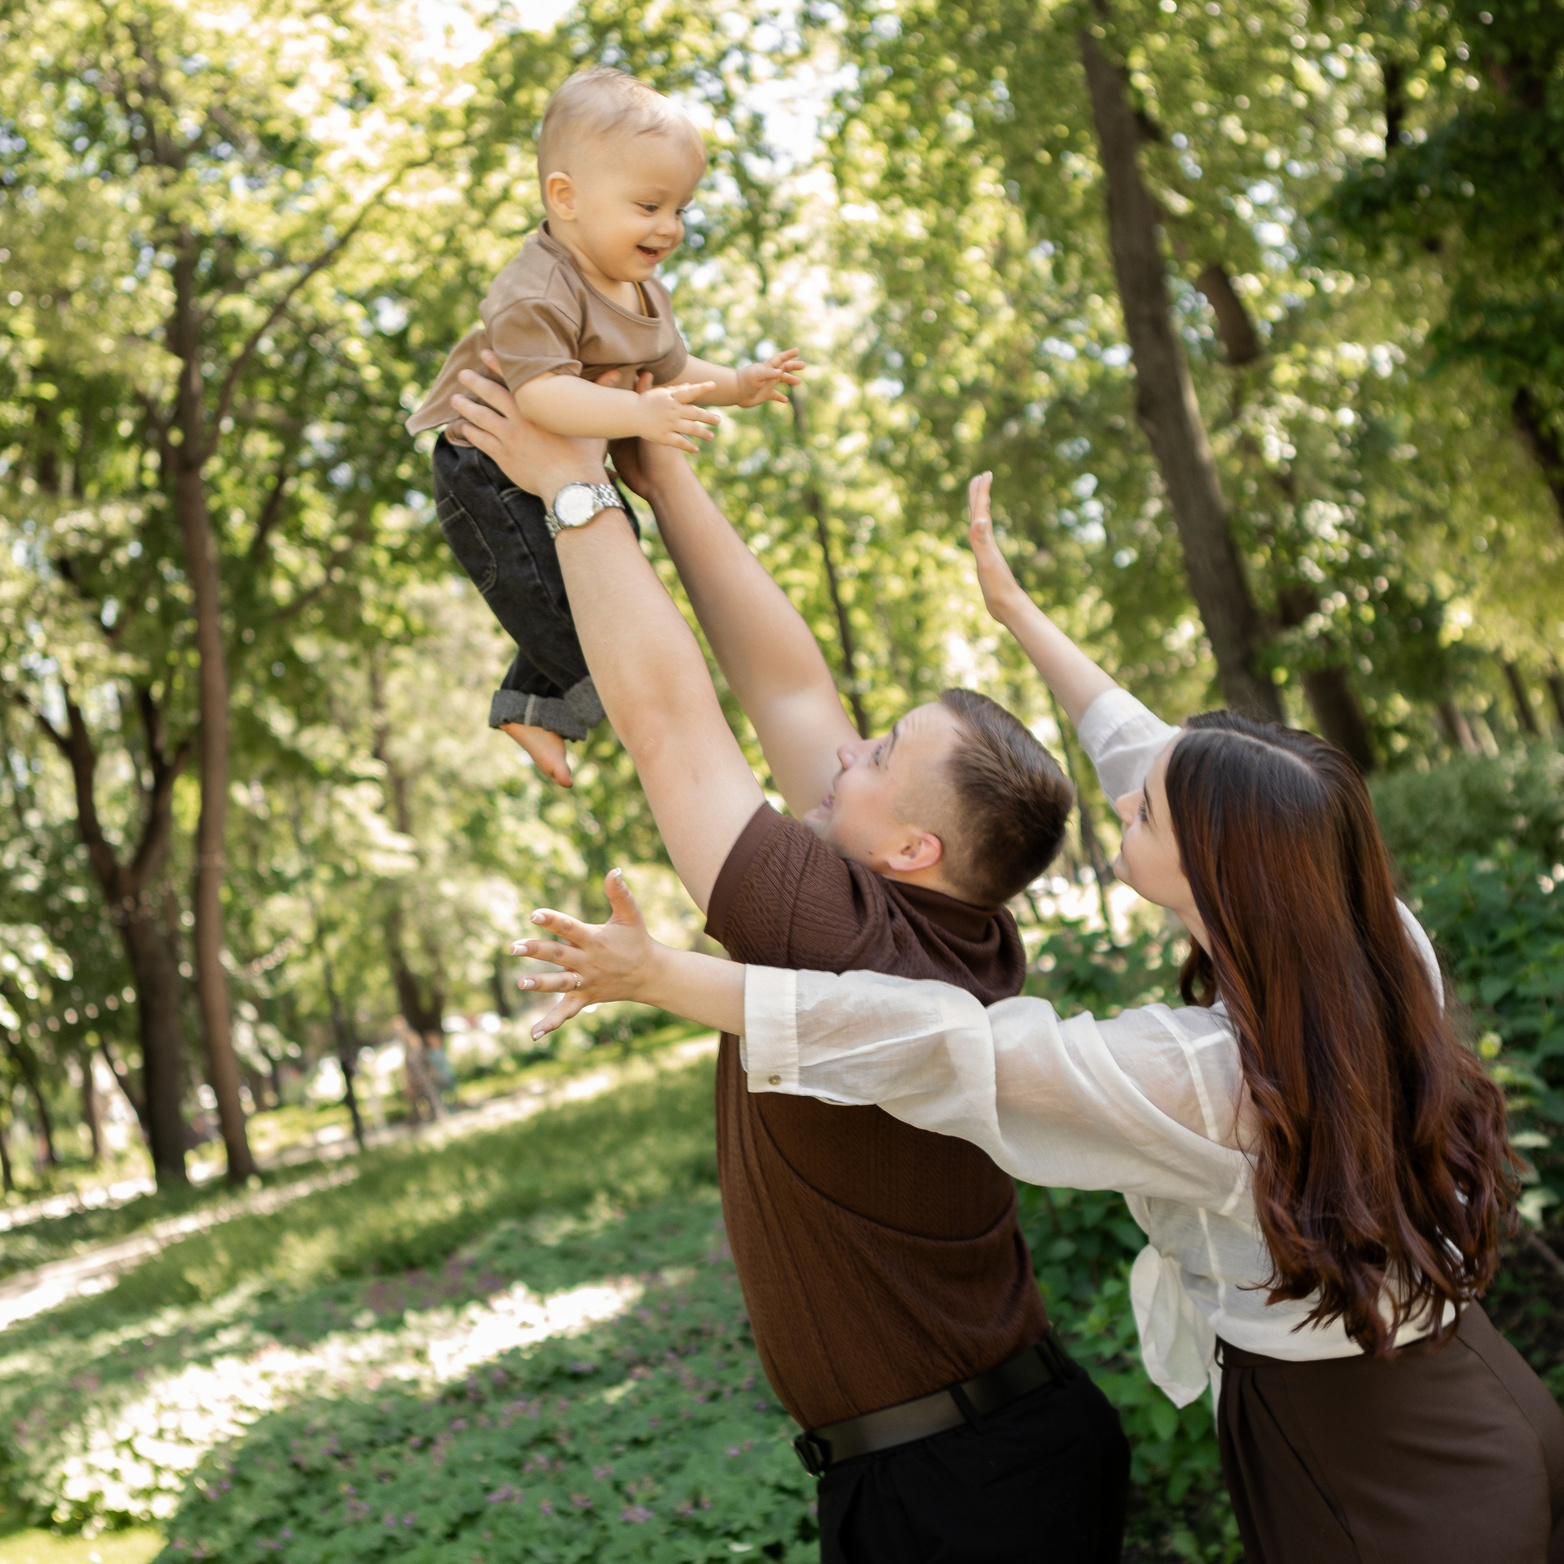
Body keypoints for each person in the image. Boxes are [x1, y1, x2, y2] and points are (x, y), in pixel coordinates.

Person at [512, 474, 1564, 1564]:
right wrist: (1017, 613)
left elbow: (938, 1049)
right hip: (1478, 1403)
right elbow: (1177, 763)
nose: (1123, 793)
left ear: (1219, 873)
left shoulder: (1202, 1077)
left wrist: (663, 976)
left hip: (1377, 1476)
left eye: (1145, 810)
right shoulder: (1373, 941)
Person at [449, 384, 1131, 1561]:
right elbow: (790, 688)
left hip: (958, 1495)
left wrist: (573, 492)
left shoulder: (840, 934)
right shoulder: (953, 922)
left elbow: (672, 727)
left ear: (911, 848)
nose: (847, 750)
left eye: (878, 755)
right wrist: (665, 474)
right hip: (988, 1455)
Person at [407, 65, 801, 787]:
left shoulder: (639, 286)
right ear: (566, 198)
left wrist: (738, 385)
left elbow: (669, 365)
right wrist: (637, 413)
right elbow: (542, 397)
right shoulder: (538, 287)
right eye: (649, 205)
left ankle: (532, 704)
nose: (670, 227)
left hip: (565, 463)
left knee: (610, 565)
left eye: (680, 208)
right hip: (487, 468)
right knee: (566, 597)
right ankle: (615, 706)